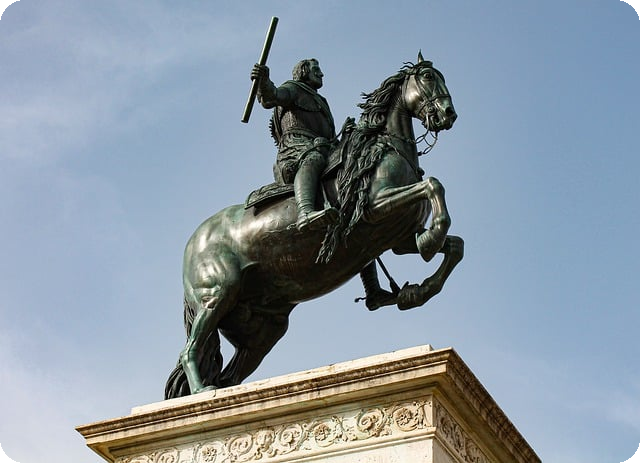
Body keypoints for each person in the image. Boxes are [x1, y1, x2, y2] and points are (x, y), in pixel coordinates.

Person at [251, 58, 339, 231]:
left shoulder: (322, 101)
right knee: (313, 158)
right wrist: (263, 80)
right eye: (316, 70)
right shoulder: (294, 88)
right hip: (295, 148)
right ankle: (305, 212)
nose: (321, 74)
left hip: (321, 147)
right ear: (304, 71)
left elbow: (330, 136)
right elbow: (271, 97)